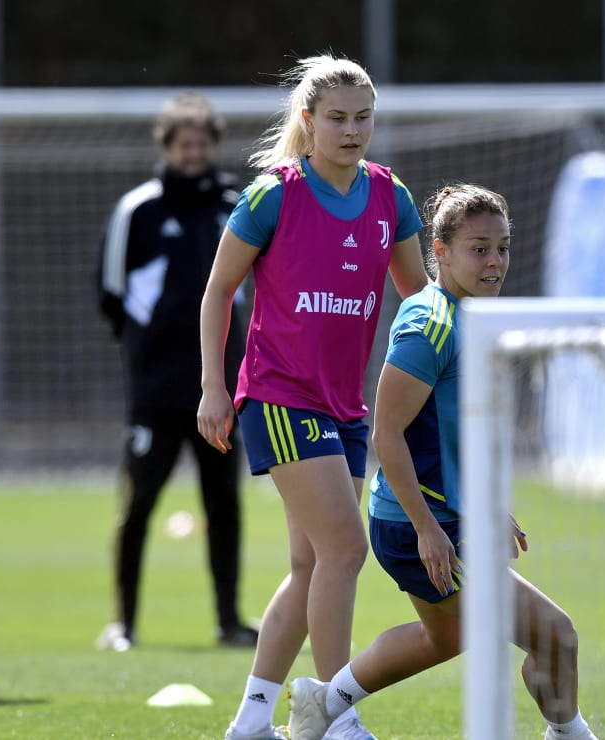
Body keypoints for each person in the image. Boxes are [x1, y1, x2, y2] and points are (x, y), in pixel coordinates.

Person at [288, 184, 599, 740]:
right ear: (442, 249)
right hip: (419, 525)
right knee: (556, 636)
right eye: (479, 249)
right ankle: (570, 734)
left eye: (502, 248)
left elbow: (451, 438)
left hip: (436, 519)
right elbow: (388, 436)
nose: (495, 262)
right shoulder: (429, 325)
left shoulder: (471, 318)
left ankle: (322, 702)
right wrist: (431, 530)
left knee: (448, 639)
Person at [196, 55, 429, 740]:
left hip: (346, 407)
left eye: (363, 118)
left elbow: (420, 301)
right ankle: (336, 716)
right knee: (347, 550)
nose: (352, 130)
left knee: (313, 564)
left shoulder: (392, 195)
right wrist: (214, 386)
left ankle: (252, 719)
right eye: (337, 118)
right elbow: (216, 293)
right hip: (277, 395)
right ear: (308, 120)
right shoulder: (275, 194)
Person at [95, 92, 257, 652]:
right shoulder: (137, 210)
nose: (194, 154)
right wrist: (151, 352)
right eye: (184, 144)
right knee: (138, 505)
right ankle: (124, 624)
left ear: (213, 147)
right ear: (166, 148)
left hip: (221, 391)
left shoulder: (235, 205)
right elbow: (111, 295)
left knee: (224, 506)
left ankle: (230, 621)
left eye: (202, 144)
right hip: (156, 394)